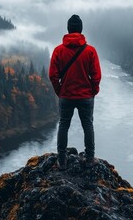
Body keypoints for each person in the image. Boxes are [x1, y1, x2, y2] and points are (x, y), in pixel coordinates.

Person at [49, 14, 101, 169]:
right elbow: (96, 75)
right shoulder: (90, 51)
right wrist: (93, 91)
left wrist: (59, 90)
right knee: (88, 125)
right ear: (81, 30)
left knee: (63, 125)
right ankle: (90, 158)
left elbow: (53, 75)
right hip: (86, 96)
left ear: (68, 29)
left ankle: (62, 161)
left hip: (66, 95)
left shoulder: (58, 51)